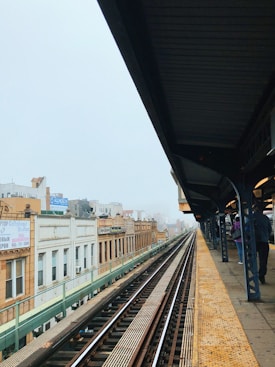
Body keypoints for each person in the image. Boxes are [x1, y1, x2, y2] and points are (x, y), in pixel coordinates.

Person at [253, 203, 272, 284]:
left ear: (255, 209)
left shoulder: (251, 217)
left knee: (252, 259)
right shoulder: (266, 218)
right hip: (264, 242)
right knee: (263, 260)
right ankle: (261, 275)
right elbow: (269, 230)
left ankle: (253, 275)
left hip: (253, 241)